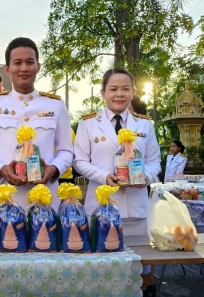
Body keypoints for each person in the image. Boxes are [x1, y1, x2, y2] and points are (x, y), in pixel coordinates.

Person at [73, 68, 160, 296]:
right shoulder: (89, 124)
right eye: (113, 89)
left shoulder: (144, 125)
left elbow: (154, 161)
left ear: (133, 92)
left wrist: (145, 177)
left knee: (139, 270)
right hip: (101, 207)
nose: (119, 94)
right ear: (103, 92)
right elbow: (79, 161)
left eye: (125, 89)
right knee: (101, 270)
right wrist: (104, 176)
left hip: (136, 211)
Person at [0, 37, 73, 214]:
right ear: (7, 69)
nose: (24, 68)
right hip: (5, 198)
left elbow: (66, 151)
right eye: (17, 63)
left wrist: (53, 169)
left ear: (38, 67)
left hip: (46, 198)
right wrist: (2, 170)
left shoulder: (55, 105)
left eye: (30, 62)